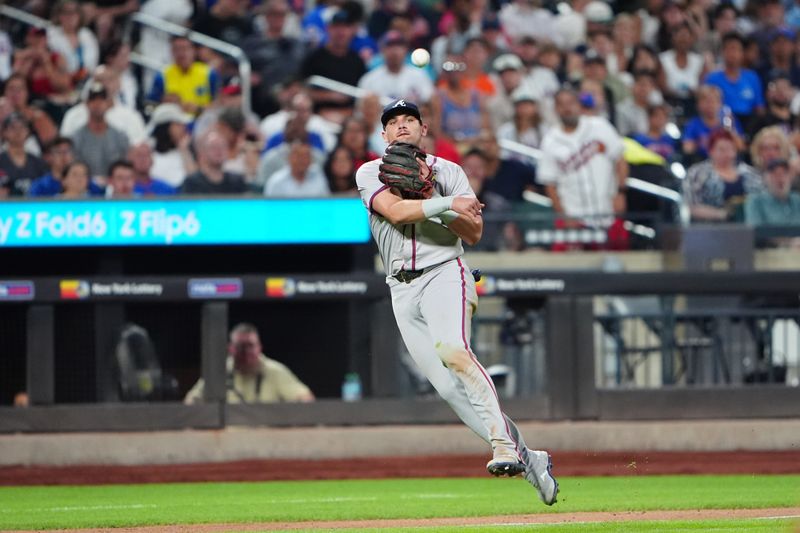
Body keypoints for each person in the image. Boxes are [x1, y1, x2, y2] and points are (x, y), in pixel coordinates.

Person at [355, 98, 558, 506]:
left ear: (423, 130)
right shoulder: (369, 171)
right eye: (393, 122)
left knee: (454, 351)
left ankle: (503, 446)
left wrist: (440, 197)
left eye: (410, 119)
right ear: (383, 134)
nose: (402, 126)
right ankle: (531, 459)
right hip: (400, 287)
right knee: (449, 389)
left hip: (445, 272)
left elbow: (474, 232)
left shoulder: (449, 171)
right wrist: (445, 203)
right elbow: (393, 211)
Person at [538, 88, 629, 248]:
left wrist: (621, 192)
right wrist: (563, 215)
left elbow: (620, 160)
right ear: (556, 109)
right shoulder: (550, 140)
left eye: (571, 103)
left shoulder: (600, 126)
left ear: (579, 105)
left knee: (618, 263)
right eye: (562, 104)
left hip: (607, 210)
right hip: (574, 216)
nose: (567, 108)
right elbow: (550, 184)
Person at [184, 322, 315, 404]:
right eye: (241, 346)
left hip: (266, 438)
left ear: (260, 347)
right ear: (231, 349)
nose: (247, 352)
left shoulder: (275, 371)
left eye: (251, 346)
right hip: (227, 439)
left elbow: (306, 400)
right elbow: (191, 402)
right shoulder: (219, 372)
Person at [683, 128, 763, 223]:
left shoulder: (750, 173)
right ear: (710, 151)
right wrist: (722, 214)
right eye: (721, 149)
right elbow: (690, 206)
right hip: (709, 230)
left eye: (731, 149)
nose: (727, 154)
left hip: (750, 227)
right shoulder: (697, 173)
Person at [68, 82, 129, 182]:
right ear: (86, 104)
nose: (97, 104)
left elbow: (125, 166)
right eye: (93, 100)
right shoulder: (76, 137)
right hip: (85, 189)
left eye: (102, 100)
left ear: (109, 103)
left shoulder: (120, 136)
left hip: (115, 190)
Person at [181, 130, 248, 194]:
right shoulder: (192, 183)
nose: (219, 150)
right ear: (203, 153)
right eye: (213, 147)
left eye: (222, 146)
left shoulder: (237, 181)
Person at [745, 158, 800, 231]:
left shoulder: (797, 199)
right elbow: (755, 230)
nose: (780, 178)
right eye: (775, 174)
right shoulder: (756, 200)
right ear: (765, 178)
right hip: (768, 242)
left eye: (784, 173)